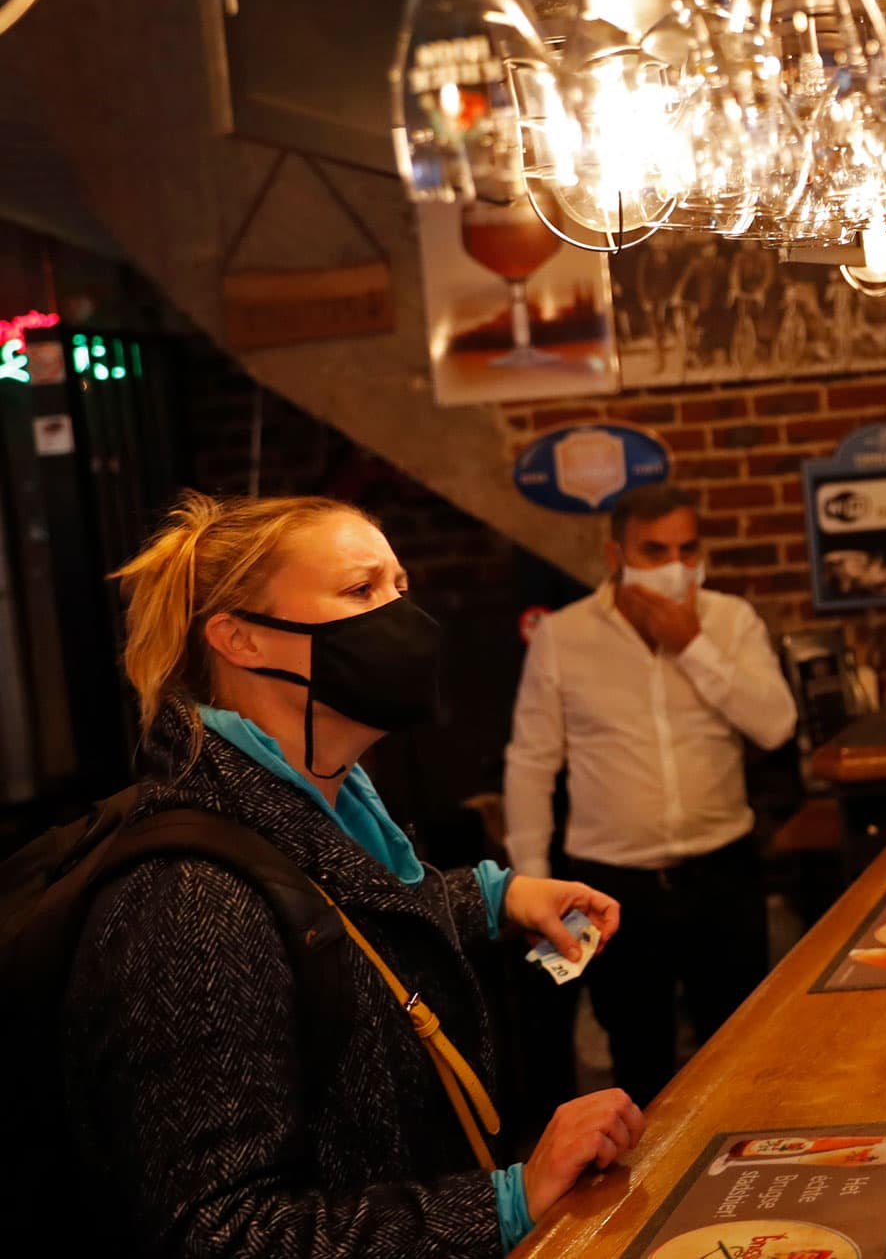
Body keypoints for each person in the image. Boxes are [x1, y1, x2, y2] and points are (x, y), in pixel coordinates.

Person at [63, 492, 644, 1257]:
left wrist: (496, 896)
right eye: (361, 589)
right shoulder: (191, 900)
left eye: (399, 587)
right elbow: (222, 1230)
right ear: (242, 638)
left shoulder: (321, 801)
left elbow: (345, 916)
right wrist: (506, 1200)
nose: (402, 615)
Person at [503, 484, 798, 1105]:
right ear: (617, 553)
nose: (674, 564)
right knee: (639, 1059)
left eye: (687, 548)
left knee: (746, 1050)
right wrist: (531, 886)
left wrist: (693, 643)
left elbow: (775, 725)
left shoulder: (729, 620)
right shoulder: (564, 636)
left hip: (722, 869)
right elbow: (532, 765)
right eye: (654, 549)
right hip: (614, 885)